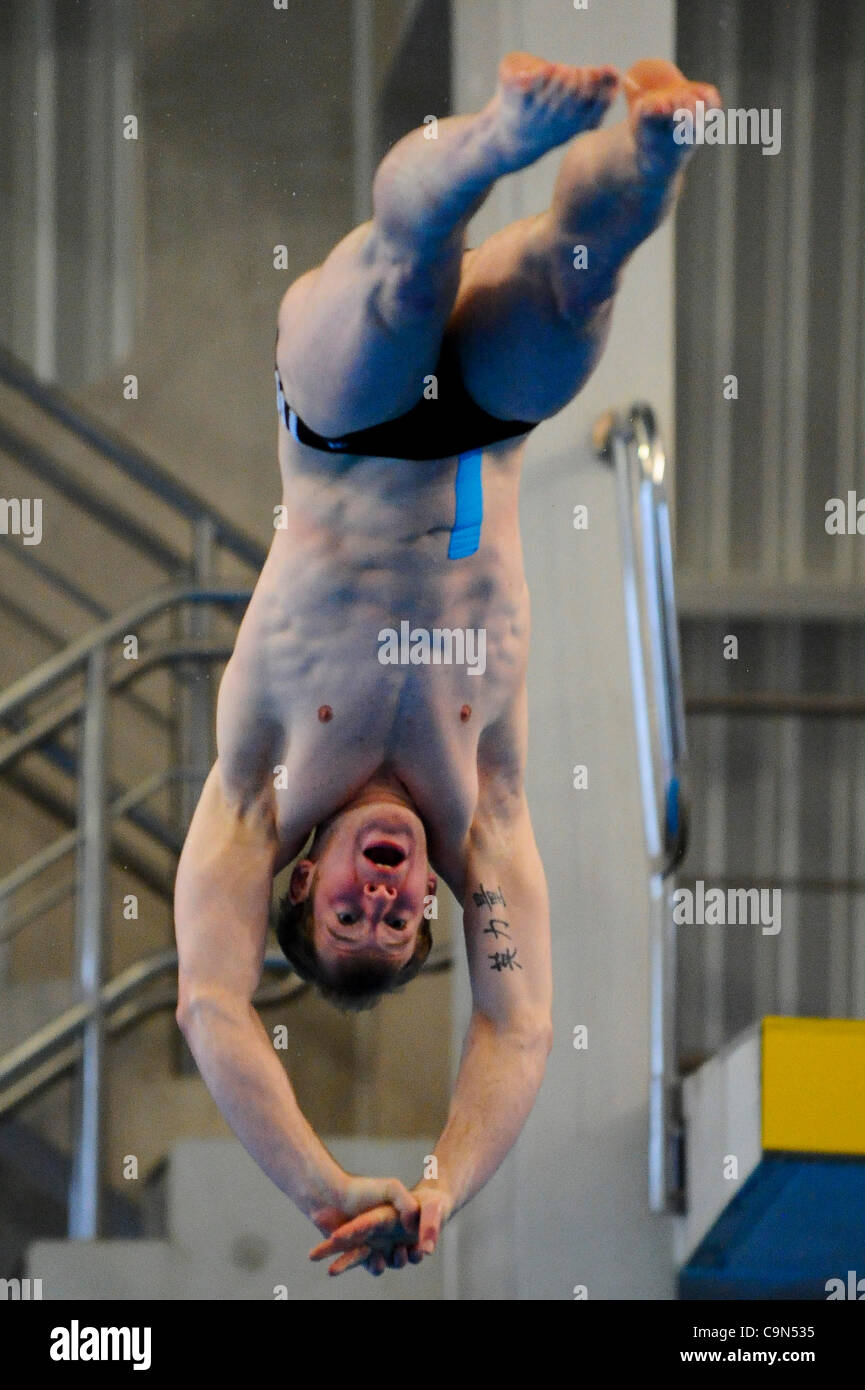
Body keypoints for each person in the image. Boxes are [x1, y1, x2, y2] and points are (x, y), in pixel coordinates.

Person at [174, 52, 719, 1278]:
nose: (383, 901)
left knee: (404, 273)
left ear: (300, 878)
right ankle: (655, 141)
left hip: (343, 425)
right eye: (400, 923)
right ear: (433, 902)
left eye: (346, 915)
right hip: (483, 419)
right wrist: (438, 1187)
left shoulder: (259, 795)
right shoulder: (488, 814)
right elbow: (517, 1026)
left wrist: (321, 1188)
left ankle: (498, 134)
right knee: (580, 275)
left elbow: (211, 1006)